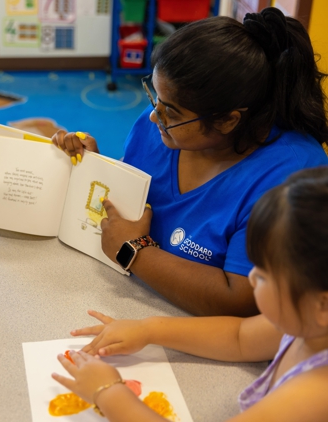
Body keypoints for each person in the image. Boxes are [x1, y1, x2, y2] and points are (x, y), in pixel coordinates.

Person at [52, 8, 328, 316]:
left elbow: (242, 300)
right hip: (126, 297)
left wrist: (135, 252)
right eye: (154, 96)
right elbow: (137, 188)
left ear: (227, 120)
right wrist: (96, 168)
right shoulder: (162, 124)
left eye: (171, 110)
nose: (155, 115)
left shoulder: (292, 174)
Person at [52, 166, 328, 421]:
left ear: (322, 304)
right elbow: (239, 337)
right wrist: (149, 330)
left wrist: (106, 391)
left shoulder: (315, 393)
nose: (252, 278)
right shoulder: (306, 323)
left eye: (265, 274)